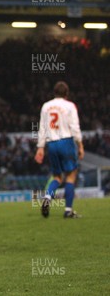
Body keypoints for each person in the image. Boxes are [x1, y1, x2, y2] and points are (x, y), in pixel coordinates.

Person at [35, 81, 84, 218]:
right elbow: (75, 127)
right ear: (66, 93)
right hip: (66, 141)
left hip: (52, 144)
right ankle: (68, 210)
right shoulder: (69, 106)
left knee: (57, 176)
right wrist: (80, 145)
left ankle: (47, 197)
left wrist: (40, 147)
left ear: (54, 93)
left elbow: (42, 128)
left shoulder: (46, 106)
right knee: (71, 174)